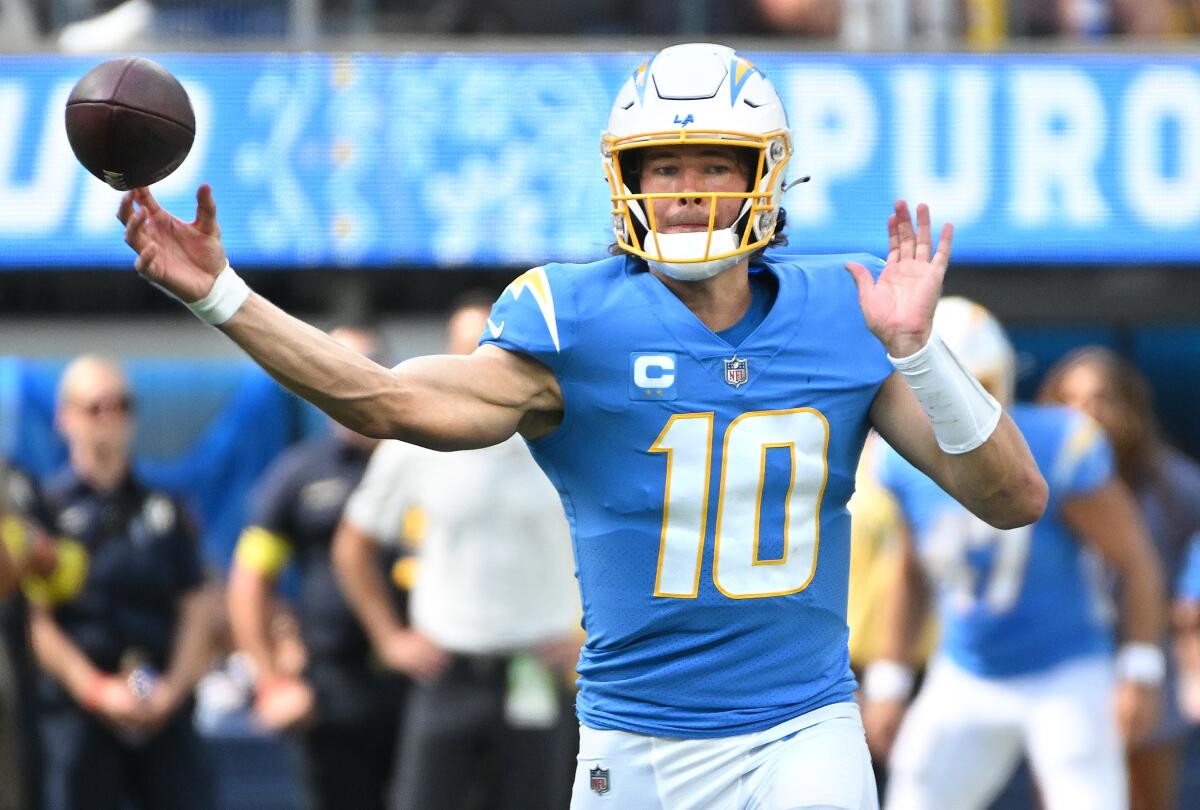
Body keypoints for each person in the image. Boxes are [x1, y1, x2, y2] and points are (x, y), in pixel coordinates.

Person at [116, 42, 1046, 809]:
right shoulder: (573, 321)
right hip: (632, 738)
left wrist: (920, 352)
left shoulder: (848, 312)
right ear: (624, 180)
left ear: (764, 175)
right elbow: (386, 398)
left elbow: (1013, 498)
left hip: (802, 728)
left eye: (714, 165)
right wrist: (224, 298)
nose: (685, 189)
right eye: (663, 166)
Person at [861, 298, 1166, 810]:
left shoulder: (1057, 441)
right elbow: (910, 571)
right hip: (965, 668)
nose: (950, 403)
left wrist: (1139, 667)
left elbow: (1134, 558)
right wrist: (889, 677)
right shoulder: (897, 456)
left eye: (967, 384)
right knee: (915, 797)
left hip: (1065, 668)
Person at [332, 292, 581, 810]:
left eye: (489, 349)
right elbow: (353, 545)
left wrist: (587, 635)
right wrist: (391, 638)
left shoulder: (563, 434)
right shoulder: (414, 441)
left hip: (536, 670)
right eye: (466, 351)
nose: (479, 367)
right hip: (448, 671)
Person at [226, 326, 409, 810]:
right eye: (332, 368)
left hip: (424, 688)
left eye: (359, 367)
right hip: (332, 692)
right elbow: (248, 583)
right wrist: (271, 681)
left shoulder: (425, 459)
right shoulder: (298, 474)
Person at [31, 355, 216, 810]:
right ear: (65, 418)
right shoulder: (45, 512)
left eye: (122, 406)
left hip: (162, 709)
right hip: (79, 714)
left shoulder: (165, 509)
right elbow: (34, 620)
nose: (111, 419)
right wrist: (94, 688)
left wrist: (173, 689)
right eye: (96, 408)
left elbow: (198, 604)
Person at [1038, 346, 1200, 810]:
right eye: (1069, 399)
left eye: (1104, 398)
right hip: (1056, 672)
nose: (1086, 413)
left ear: (1131, 407)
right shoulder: (1026, 485)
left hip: (1146, 669)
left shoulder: (1173, 484)